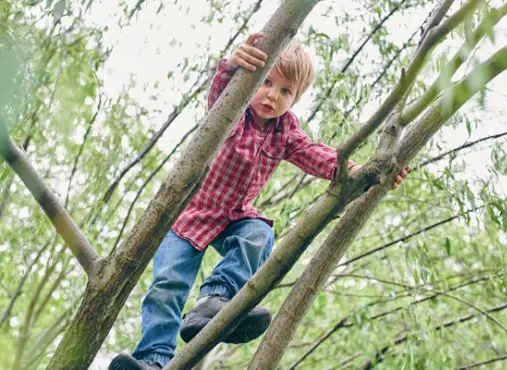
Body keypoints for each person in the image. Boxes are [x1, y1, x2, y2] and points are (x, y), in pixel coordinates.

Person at [109, 33, 408, 370]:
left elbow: (317, 155)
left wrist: (362, 172)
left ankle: (216, 299)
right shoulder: (234, 108)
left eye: (285, 91)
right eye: (266, 82)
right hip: (188, 216)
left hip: (235, 216)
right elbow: (219, 93)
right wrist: (232, 66)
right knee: (167, 285)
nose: (272, 95)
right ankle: (152, 359)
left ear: (295, 98)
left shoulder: (285, 131)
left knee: (258, 234)